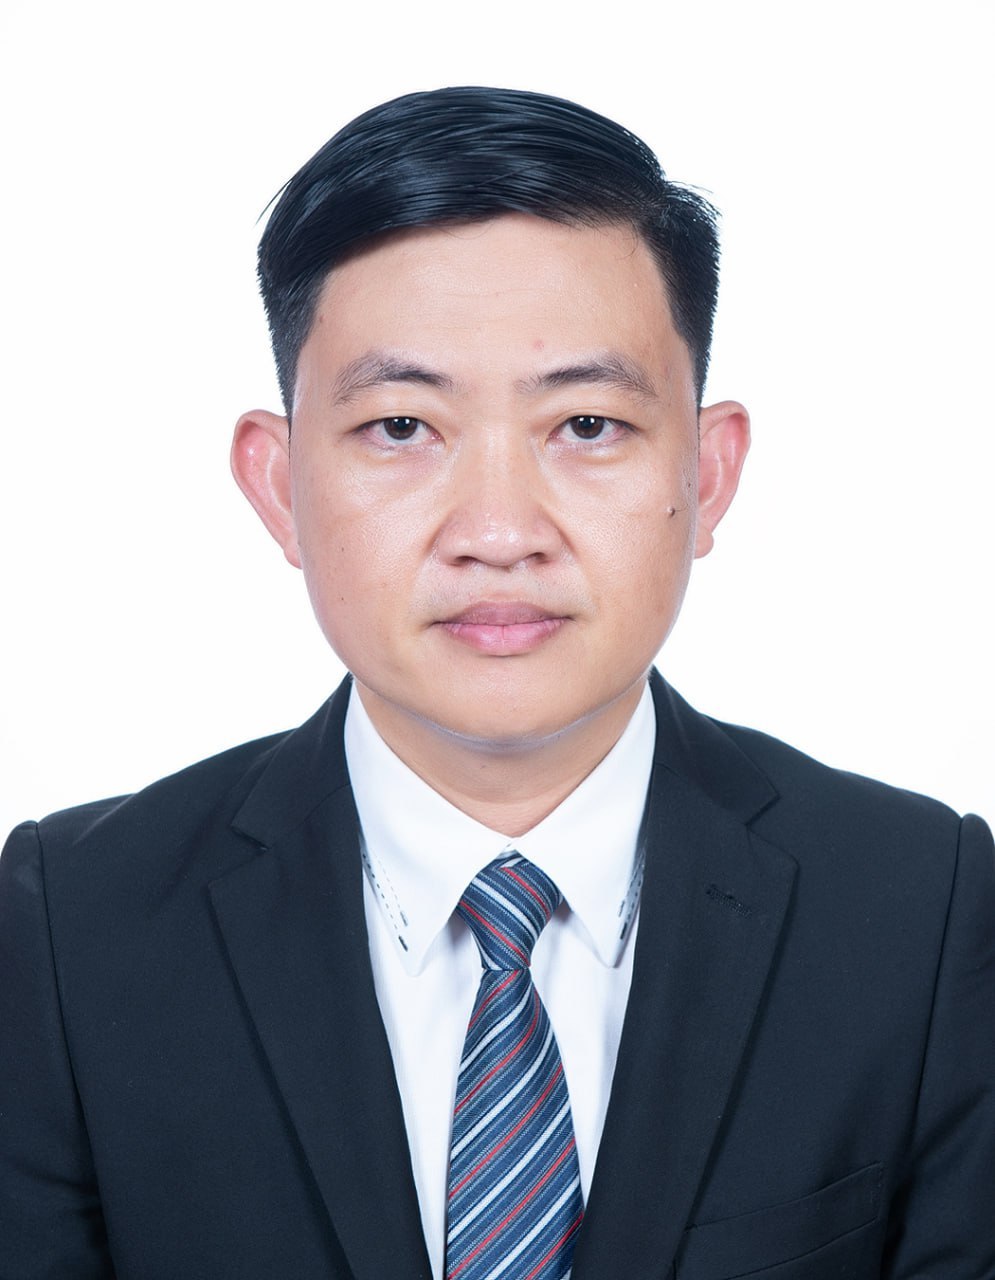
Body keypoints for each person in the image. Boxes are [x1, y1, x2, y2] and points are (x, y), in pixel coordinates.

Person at [1, 86, 992, 1280]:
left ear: (707, 473)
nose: (498, 530)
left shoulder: (922, 909)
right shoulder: (71, 930)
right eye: (400, 427)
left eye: (586, 424)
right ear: (277, 486)